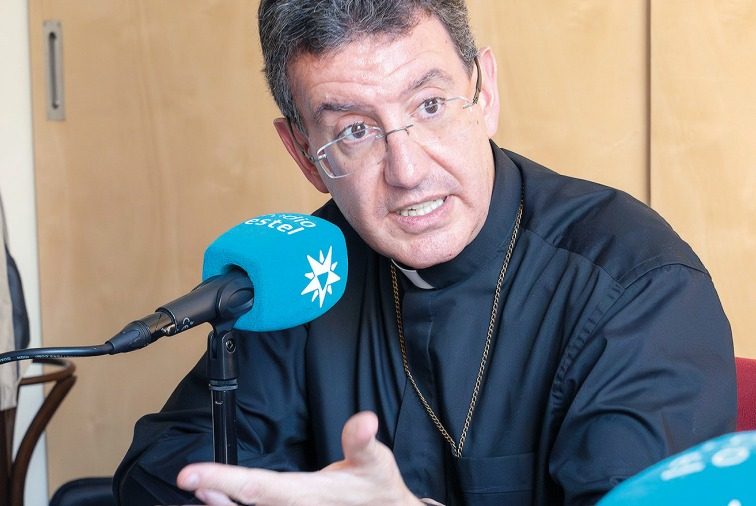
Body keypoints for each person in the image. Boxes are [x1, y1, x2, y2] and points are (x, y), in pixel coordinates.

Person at [114, 1, 736, 504]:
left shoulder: (637, 283)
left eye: (430, 106)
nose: (408, 172)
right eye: (355, 131)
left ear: (484, 93)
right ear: (305, 154)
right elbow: (163, 466)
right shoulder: (302, 271)